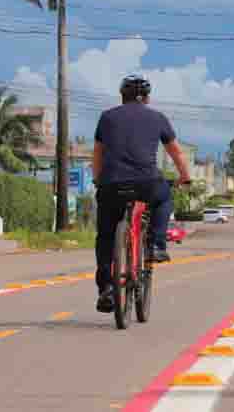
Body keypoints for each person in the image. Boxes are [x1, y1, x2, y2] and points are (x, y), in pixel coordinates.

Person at [92, 74, 191, 313]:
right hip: (147, 182)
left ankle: (106, 288)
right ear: (146, 98)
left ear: (122, 96)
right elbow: (176, 153)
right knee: (164, 196)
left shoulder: (107, 117)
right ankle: (157, 245)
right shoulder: (157, 118)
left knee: (105, 235)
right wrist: (185, 177)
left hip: (112, 184)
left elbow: (97, 154)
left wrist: (98, 179)